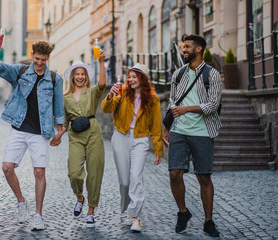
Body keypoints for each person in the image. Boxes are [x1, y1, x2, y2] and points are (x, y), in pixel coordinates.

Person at [0, 31, 65, 231]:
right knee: (7, 167)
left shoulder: (55, 79)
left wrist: (60, 130)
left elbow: (58, 107)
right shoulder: (21, 72)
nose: (39, 63)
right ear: (32, 55)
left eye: (43, 60)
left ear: (48, 58)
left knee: (39, 172)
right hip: (19, 128)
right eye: (37, 59)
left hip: (41, 132)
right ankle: (22, 201)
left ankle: (38, 215)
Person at [162, 34, 222, 237]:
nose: (183, 50)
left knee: (203, 177)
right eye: (182, 47)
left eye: (187, 47)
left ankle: (208, 221)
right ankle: (183, 212)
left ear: (198, 49)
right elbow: (172, 102)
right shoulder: (178, 74)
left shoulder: (212, 74)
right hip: (179, 130)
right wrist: (168, 126)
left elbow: (214, 104)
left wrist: (188, 109)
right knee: (174, 174)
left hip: (203, 131)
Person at [101, 63, 163, 232]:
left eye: (135, 76)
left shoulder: (153, 100)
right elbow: (106, 109)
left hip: (140, 139)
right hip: (120, 136)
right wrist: (111, 95)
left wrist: (158, 150)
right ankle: (129, 211)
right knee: (125, 181)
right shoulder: (122, 92)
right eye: (130, 76)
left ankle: (136, 216)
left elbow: (156, 126)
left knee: (136, 176)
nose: (131, 79)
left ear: (143, 78)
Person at [56, 50, 107, 228]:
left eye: (82, 74)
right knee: (74, 173)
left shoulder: (92, 92)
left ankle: (91, 211)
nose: (79, 77)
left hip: (93, 133)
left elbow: (102, 83)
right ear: (72, 77)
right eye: (76, 74)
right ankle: (80, 197)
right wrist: (58, 136)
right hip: (75, 136)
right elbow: (62, 123)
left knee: (94, 173)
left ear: (86, 77)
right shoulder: (65, 98)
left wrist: (101, 61)